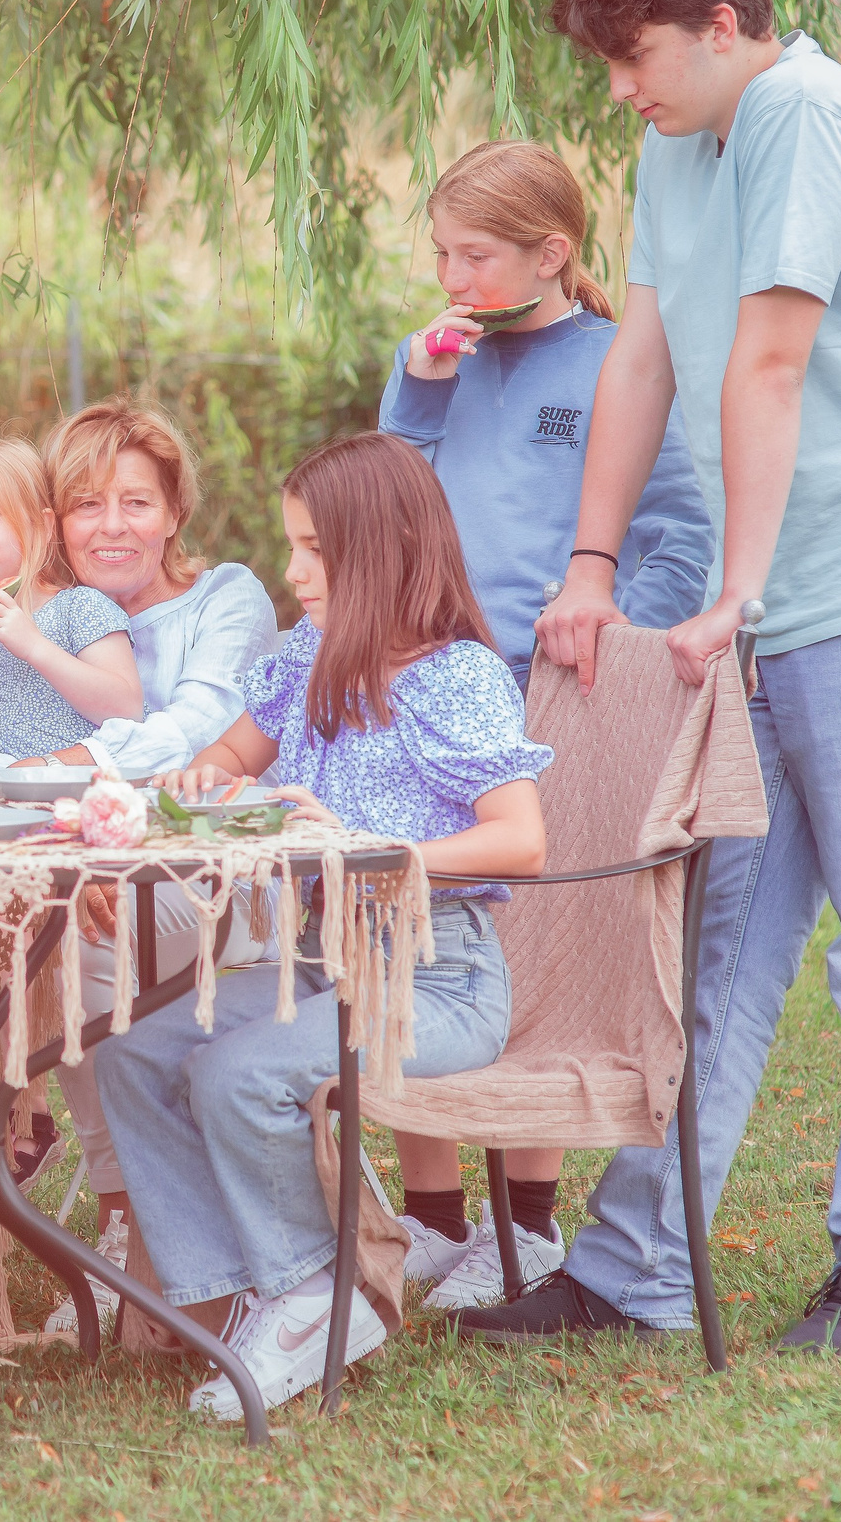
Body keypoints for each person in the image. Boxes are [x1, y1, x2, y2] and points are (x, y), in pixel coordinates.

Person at [452, 0, 841, 1357]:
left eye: (637, 56)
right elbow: (644, 358)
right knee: (723, 929)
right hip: (774, 596)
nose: (621, 89)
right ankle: (639, 1258)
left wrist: (737, 591)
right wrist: (590, 560)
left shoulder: (800, 117)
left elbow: (768, 363)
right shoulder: (682, 143)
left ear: (723, 26)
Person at [100, 430, 551, 1424]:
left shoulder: (454, 675)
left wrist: (360, 845)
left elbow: (519, 841)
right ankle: (226, 1293)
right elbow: (231, 754)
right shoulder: (309, 655)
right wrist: (194, 786)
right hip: (320, 968)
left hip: (436, 981)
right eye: (291, 546)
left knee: (237, 1071)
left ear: (379, 545)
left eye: (311, 550)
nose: (291, 571)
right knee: (130, 1046)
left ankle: (316, 1294)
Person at [377, 139, 716, 1311]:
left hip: (549, 700)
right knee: (420, 930)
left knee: (533, 948)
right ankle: (430, 1217)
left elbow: (680, 531)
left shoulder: (615, 366)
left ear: (551, 255)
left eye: (473, 255)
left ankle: (525, 1225)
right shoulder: (437, 366)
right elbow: (391, 503)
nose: (451, 274)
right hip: (432, 688)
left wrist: (611, 624)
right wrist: (416, 386)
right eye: (439, 253)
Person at [0, 399, 278, 1333]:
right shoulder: (36, 618)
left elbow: (189, 731)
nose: (112, 526)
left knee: (62, 948)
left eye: (136, 503)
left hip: (211, 883)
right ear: (53, 521)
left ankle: (125, 1216)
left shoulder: (223, 598)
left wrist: (46, 770)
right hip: (85, 880)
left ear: (174, 513)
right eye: (87, 505)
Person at [0, 437, 142, 763]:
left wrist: (34, 647)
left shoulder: (80, 608)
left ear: (42, 526)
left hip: (92, 793)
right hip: (12, 803)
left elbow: (127, 709)